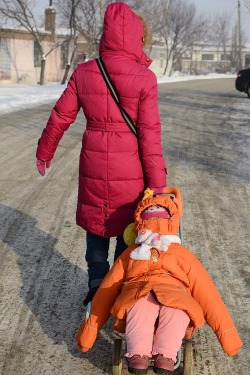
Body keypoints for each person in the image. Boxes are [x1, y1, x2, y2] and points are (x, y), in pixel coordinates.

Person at [35, 2, 167, 305]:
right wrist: (157, 187)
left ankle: (96, 278)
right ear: (138, 38)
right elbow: (150, 137)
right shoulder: (144, 78)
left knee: (96, 222)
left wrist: (45, 151)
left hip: (93, 161)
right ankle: (117, 285)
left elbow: (60, 117)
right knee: (126, 227)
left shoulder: (84, 72)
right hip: (130, 169)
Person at [76, 189, 243, 374]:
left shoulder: (180, 255)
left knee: (176, 310)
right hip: (139, 290)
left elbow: (207, 294)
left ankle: (165, 353)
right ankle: (139, 352)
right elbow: (107, 290)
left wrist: (227, 335)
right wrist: (89, 330)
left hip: (173, 291)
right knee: (141, 306)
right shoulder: (131, 254)